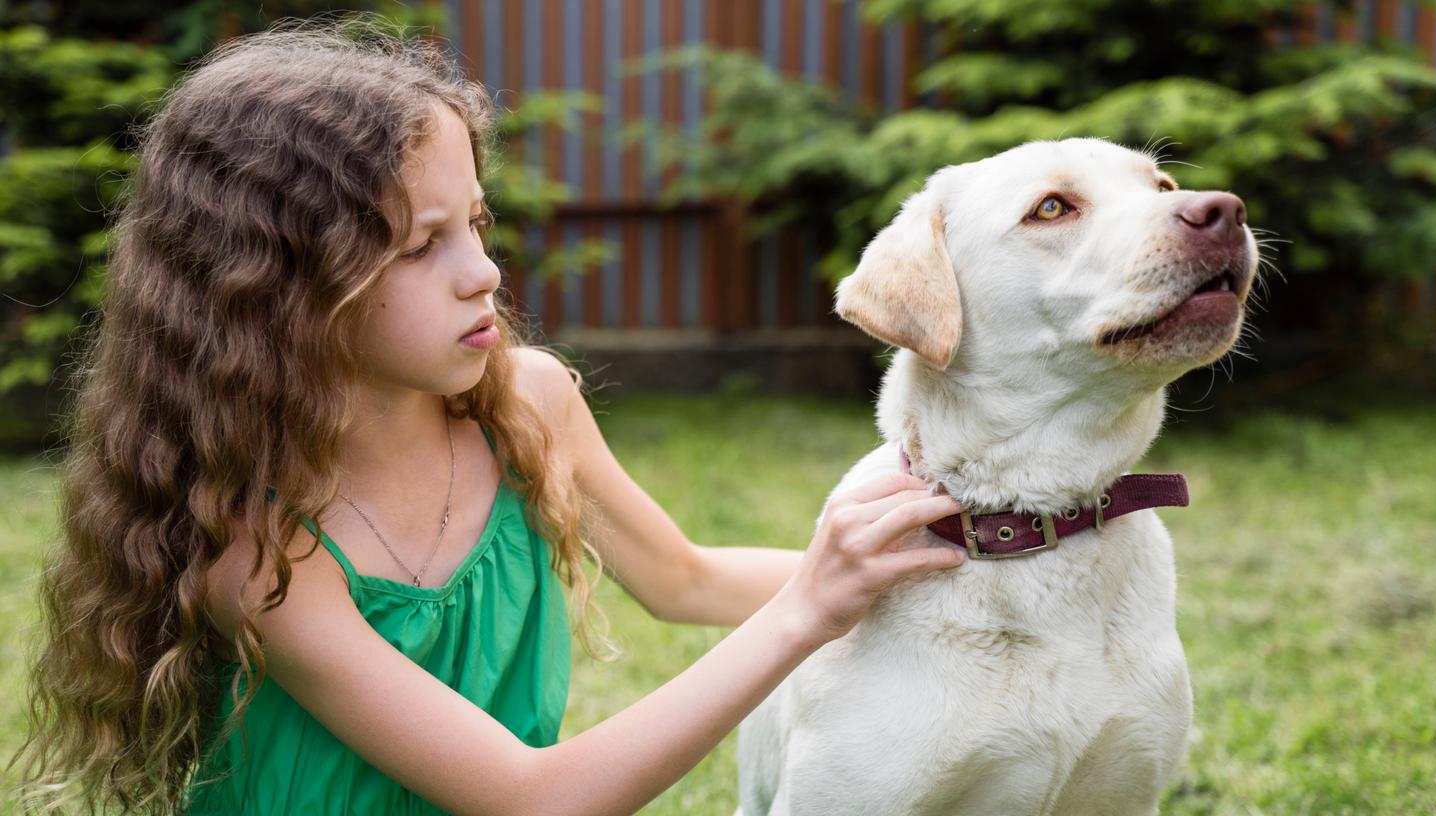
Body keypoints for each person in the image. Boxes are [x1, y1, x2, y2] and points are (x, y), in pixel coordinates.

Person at [7, 15, 966, 816]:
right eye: (423, 243)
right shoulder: (250, 544)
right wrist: (807, 611)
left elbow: (684, 580)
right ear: (279, 289)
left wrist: (938, 566)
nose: (484, 271)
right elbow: (532, 798)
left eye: (475, 221)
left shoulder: (530, 403)